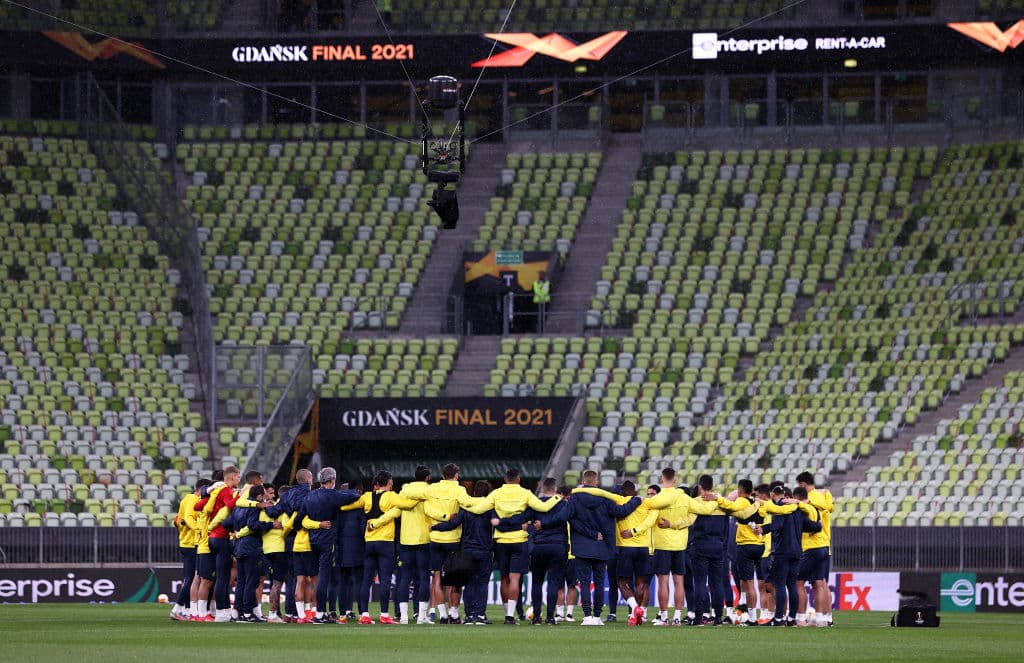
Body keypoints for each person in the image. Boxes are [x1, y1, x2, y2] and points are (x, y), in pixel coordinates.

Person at [462, 468, 563, 624]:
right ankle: (510, 615)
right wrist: (557, 497)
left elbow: (478, 509)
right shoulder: (525, 493)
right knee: (514, 578)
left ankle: (505, 613)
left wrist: (462, 503)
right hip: (519, 540)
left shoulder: (496, 493)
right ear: (518, 479)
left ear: (505, 478)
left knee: (504, 578)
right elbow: (543, 508)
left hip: (501, 541)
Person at [560, 470, 641, 625]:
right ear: (596, 481)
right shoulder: (604, 498)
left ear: (583, 481)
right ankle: (597, 616)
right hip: (602, 547)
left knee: (584, 583)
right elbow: (621, 512)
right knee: (598, 582)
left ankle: (587, 616)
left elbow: (565, 517)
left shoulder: (574, 499)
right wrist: (636, 501)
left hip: (582, 547)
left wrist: (588, 533)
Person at [642, 468, 718, 626]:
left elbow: (646, 515)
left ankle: (664, 617)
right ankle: (677, 616)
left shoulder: (657, 499)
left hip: (662, 544)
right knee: (679, 582)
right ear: (675, 479)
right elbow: (704, 510)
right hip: (680, 546)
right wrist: (715, 500)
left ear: (661, 478)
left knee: (663, 581)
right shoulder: (684, 497)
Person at [345, 470, 420, 624]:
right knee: (385, 580)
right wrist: (421, 496)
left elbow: (347, 507)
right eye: (391, 483)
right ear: (387, 483)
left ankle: (364, 614)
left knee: (366, 580)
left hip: (369, 543)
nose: (392, 485)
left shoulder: (366, 496)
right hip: (385, 543)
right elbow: (408, 504)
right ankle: (384, 615)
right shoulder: (391, 496)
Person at [299, 467, 363, 623]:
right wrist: (356, 493)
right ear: (332, 480)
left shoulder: (310, 496)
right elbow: (353, 496)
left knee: (317, 578)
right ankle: (320, 613)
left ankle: (317, 611)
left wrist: (316, 524)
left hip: (313, 540)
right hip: (328, 541)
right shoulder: (333, 495)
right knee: (323, 579)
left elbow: (300, 518)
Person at [422, 463, 482, 624]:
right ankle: (454, 614)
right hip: (453, 541)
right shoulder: (459, 490)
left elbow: (427, 509)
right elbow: (468, 503)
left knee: (437, 578)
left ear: (443, 475)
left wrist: (442, 516)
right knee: (454, 578)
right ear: (456, 475)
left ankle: (442, 614)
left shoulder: (433, 489)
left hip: (435, 538)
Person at [757, 485, 822, 626]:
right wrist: (819, 525)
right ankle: (792, 618)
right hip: (797, 552)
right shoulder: (797, 509)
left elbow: (777, 525)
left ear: (774, 495)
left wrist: (763, 528)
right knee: (792, 585)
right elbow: (809, 525)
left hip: (782, 552)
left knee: (780, 584)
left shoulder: (781, 507)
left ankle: (779, 618)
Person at [714, 479, 765, 626]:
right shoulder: (758, 503)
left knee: (749, 583)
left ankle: (752, 618)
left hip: (746, 545)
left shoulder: (742, 502)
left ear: (740, 490)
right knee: (747, 581)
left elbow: (729, 506)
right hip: (760, 545)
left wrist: (718, 497)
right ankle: (745, 608)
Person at [264, 468, 313, 621]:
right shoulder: (310, 493)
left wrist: (265, 505)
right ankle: (305, 612)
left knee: (293, 578)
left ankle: (290, 613)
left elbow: (272, 512)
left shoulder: (287, 496)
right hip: (305, 538)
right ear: (308, 479)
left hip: (289, 541)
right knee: (306, 578)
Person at [194, 465, 241, 622]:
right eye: (238, 477)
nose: (239, 480)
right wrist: (240, 496)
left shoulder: (215, 491)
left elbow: (198, 506)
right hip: (221, 536)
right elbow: (230, 506)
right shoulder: (226, 490)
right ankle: (221, 612)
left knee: (219, 577)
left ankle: (223, 610)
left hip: (211, 537)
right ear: (232, 476)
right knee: (222, 577)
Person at [394, 465, 432, 624]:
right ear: (427, 477)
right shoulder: (430, 492)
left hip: (406, 539)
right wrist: (445, 518)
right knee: (423, 577)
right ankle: (421, 616)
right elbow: (433, 512)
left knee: (404, 577)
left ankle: (403, 616)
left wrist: (376, 522)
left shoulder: (404, 492)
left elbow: (395, 512)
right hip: (423, 538)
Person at [795, 471, 834, 627]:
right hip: (825, 544)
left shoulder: (807, 501)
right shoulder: (825, 494)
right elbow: (830, 507)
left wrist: (801, 502)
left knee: (797, 581)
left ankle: (800, 618)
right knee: (821, 583)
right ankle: (824, 618)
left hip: (810, 545)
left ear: (803, 485)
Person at [172, 478, 209, 622]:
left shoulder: (187, 500)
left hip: (187, 542)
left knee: (192, 578)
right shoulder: (192, 500)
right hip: (190, 543)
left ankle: (185, 610)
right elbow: (186, 519)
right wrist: (200, 530)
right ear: (201, 489)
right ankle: (177, 609)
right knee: (192, 579)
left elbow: (178, 520)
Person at [335, 479, 366, 623]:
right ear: (359, 490)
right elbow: (362, 527)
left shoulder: (339, 503)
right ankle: (362, 614)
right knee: (359, 581)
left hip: (341, 547)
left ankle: (342, 615)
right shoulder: (361, 504)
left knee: (344, 582)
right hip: (357, 546)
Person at [261, 485, 293, 623]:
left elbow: (259, 526)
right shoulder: (282, 510)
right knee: (277, 583)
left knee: (271, 582)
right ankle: (273, 614)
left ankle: (274, 612)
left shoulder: (263, 510)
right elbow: (288, 526)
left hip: (266, 549)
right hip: (279, 549)